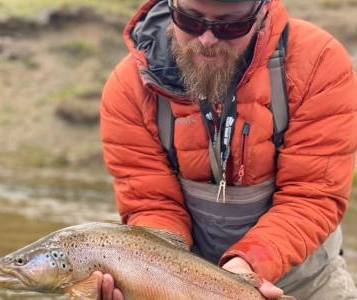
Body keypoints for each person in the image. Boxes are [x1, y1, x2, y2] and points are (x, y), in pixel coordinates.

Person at [99, 0, 357, 299]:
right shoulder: (130, 86)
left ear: (261, 13)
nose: (207, 39)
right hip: (182, 286)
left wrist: (244, 270)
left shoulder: (317, 63)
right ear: (171, 7)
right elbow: (152, 205)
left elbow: (311, 196)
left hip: (306, 282)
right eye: (190, 21)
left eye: (231, 26)